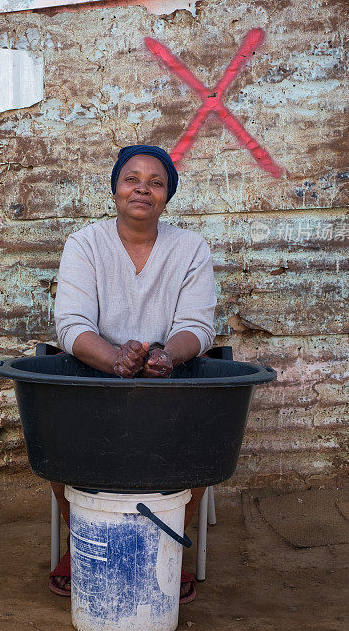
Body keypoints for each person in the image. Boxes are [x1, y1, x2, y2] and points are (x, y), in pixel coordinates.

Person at [50, 144, 216, 603]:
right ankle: (82, 538)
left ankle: (169, 546)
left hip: (169, 382)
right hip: (96, 377)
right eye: (131, 178)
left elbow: (197, 327)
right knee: (56, 431)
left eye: (156, 182)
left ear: (167, 196)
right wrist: (113, 360)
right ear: (115, 189)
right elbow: (72, 325)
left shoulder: (189, 248)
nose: (143, 188)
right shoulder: (85, 243)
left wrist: (169, 357)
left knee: (204, 435)